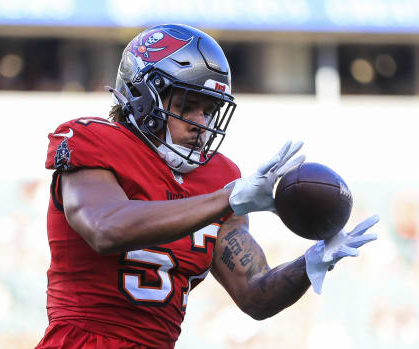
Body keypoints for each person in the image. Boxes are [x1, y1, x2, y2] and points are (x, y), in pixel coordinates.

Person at [36, 24, 379, 349]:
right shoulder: (92, 139)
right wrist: (227, 198)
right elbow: (104, 227)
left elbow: (254, 293)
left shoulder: (218, 176)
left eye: (210, 110)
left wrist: (311, 262)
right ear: (142, 98)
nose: (201, 124)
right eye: (187, 106)